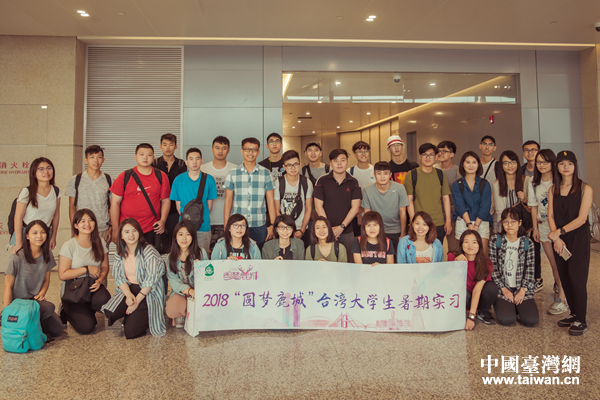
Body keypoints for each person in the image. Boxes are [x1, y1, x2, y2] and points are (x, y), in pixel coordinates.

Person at [548, 150, 592, 336]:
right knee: (564, 276)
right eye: (561, 163)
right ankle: (573, 313)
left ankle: (581, 319)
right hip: (559, 240)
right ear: (557, 166)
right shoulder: (553, 189)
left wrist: (558, 232)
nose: (565, 167)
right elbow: (550, 215)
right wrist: (557, 238)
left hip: (578, 238)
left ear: (575, 166)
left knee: (577, 278)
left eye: (570, 163)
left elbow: (582, 219)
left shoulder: (585, 189)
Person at [102, 218, 166, 339]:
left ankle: (142, 316)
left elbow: (150, 281)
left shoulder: (149, 251)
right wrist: (128, 295)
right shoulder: (120, 251)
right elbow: (119, 277)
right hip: (130, 288)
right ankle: (133, 314)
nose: (131, 235)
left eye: (134, 230)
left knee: (131, 332)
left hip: (147, 292)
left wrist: (136, 302)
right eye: (126, 232)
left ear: (139, 233)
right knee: (110, 312)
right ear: (121, 236)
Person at [3, 220, 63, 338]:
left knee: (57, 330)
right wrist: (7, 311)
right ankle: (25, 321)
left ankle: (29, 322)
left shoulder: (48, 255)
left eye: (42, 232)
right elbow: (8, 286)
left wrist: (41, 294)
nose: (39, 236)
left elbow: (46, 280)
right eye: (34, 233)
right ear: (27, 236)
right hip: (18, 303)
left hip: (35, 301)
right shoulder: (16, 258)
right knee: (49, 307)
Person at [57, 209, 111, 334]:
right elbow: (62, 274)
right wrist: (86, 269)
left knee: (105, 299)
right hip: (74, 290)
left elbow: (105, 266)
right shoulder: (69, 245)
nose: (87, 224)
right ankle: (65, 310)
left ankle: (86, 309)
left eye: (90, 220)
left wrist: (100, 280)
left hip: (91, 286)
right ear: (76, 225)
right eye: (82, 221)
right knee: (87, 328)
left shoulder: (100, 242)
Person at [528, 150, 568, 315]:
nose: (541, 165)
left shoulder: (559, 181)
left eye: (545, 162)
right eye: (539, 162)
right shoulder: (533, 182)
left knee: (564, 261)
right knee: (554, 264)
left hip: (560, 227)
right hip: (543, 226)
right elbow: (534, 207)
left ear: (553, 163)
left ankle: (562, 298)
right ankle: (561, 294)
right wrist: (535, 228)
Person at [110, 143, 171, 248]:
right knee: (128, 257)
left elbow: (166, 200)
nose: (145, 158)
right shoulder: (124, 176)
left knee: (150, 257)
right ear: (135, 157)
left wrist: (163, 220)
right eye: (141, 154)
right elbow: (115, 203)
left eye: (149, 155)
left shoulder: (161, 176)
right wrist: (115, 230)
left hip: (151, 228)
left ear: (153, 157)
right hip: (127, 229)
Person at [489, 208, 539, 327]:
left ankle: (517, 306)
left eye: (513, 221)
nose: (509, 225)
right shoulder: (496, 240)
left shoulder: (527, 243)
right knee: (507, 320)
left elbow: (530, 270)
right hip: (503, 288)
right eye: (506, 222)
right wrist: (503, 289)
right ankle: (509, 306)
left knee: (531, 320)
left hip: (522, 289)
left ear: (519, 223)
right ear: (502, 223)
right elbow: (493, 268)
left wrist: (522, 290)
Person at [223, 137, 275, 250]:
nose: (250, 153)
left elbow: (271, 201)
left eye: (254, 150)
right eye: (247, 149)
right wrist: (226, 225)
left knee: (259, 255)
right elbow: (228, 201)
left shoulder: (266, 173)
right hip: (237, 225)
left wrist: (272, 225)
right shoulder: (233, 173)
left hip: (259, 225)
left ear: (258, 152)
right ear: (242, 151)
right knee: (238, 255)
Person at [313, 149, 362, 261]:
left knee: (348, 262)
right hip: (324, 232)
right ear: (331, 164)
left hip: (347, 231)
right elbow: (318, 206)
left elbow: (355, 208)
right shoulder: (322, 181)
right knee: (325, 262)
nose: (339, 163)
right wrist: (328, 229)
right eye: (335, 160)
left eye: (342, 160)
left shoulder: (354, 182)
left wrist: (341, 227)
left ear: (347, 163)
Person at [170, 147, 217, 250]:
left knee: (203, 255)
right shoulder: (178, 180)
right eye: (191, 159)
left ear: (201, 161)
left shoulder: (209, 179)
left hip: (203, 227)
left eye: (197, 158)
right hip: (184, 228)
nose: (194, 162)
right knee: (184, 255)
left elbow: (209, 206)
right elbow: (178, 207)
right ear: (186, 162)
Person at [448, 231, 497, 329]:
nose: (470, 245)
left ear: (479, 245)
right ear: (461, 244)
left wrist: (471, 317)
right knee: (462, 291)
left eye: (474, 242)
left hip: (478, 298)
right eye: (466, 241)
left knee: (491, 287)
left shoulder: (486, 263)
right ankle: (459, 312)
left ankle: (482, 312)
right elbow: (449, 282)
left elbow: (477, 290)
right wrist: (455, 264)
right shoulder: (452, 256)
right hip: (462, 297)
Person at [10, 157, 61, 254]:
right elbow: (18, 217)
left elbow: (56, 215)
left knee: (43, 263)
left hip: (44, 234)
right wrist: (19, 241)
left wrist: (53, 236)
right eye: (41, 169)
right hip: (26, 234)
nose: (46, 172)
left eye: (49, 168)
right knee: (22, 262)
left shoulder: (56, 191)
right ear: (34, 173)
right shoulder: (27, 192)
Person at [404, 143, 452, 243]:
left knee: (436, 251)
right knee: (419, 251)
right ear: (420, 156)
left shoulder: (440, 174)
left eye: (431, 155)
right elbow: (409, 200)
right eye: (424, 155)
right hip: (419, 223)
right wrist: (413, 222)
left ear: (435, 157)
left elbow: (446, 198)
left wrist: (448, 221)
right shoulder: (411, 175)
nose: (428, 158)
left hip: (438, 222)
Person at [165, 220, 208, 328]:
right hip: (181, 292)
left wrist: (200, 269)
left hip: (199, 290)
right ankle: (184, 311)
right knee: (172, 310)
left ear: (193, 237)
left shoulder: (201, 252)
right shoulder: (170, 257)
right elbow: (173, 280)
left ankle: (190, 312)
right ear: (175, 237)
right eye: (180, 234)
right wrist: (190, 291)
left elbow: (208, 277)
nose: (184, 238)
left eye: (188, 234)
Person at [66, 145, 112, 244]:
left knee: (102, 254)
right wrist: (74, 229)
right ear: (86, 160)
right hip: (82, 228)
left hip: (102, 228)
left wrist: (112, 227)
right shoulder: (75, 179)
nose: (96, 160)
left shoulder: (109, 180)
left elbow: (112, 206)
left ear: (103, 160)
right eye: (92, 157)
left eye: (99, 157)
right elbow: (72, 207)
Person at [452, 151, 493, 258]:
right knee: (463, 256)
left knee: (482, 255)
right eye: (468, 162)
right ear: (462, 164)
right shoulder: (457, 184)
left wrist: (476, 225)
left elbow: (485, 206)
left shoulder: (485, 184)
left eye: (474, 162)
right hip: (463, 221)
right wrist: (469, 224)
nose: (471, 165)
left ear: (478, 165)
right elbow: (460, 206)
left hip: (481, 221)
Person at [361, 161, 409, 253]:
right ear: (374, 175)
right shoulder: (367, 190)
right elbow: (367, 214)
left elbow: (402, 212)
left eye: (386, 173)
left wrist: (403, 234)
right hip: (376, 230)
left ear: (390, 175)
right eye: (379, 173)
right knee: (378, 257)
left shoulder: (400, 188)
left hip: (395, 229)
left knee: (398, 257)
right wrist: (368, 233)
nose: (382, 177)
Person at [201, 136, 237, 250]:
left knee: (226, 254)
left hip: (229, 221)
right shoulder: (202, 169)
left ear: (228, 150)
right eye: (217, 148)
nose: (220, 151)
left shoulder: (235, 169)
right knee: (206, 254)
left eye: (224, 148)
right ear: (212, 149)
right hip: (206, 221)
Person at [152, 134, 187, 249]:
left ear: (176, 146)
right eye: (165, 144)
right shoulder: (154, 164)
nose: (168, 147)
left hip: (175, 210)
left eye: (171, 144)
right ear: (160, 146)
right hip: (157, 209)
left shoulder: (182, 165)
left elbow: (183, 186)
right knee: (157, 243)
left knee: (175, 241)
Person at [274, 150, 312, 239]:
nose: (293, 168)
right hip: (284, 229)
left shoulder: (306, 182)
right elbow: (277, 210)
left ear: (300, 164)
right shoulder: (278, 183)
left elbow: (308, 209)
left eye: (295, 164)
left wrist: (302, 230)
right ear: (284, 167)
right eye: (289, 165)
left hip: (301, 228)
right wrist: (285, 229)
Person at [491, 150, 531, 234]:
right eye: (506, 163)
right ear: (501, 166)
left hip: (523, 226)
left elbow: (533, 205)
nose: (510, 166)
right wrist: (505, 228)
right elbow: (499, 210)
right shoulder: (497, 184)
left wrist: (525, 199)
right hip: (505, 226)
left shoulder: (526, 180)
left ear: (517, 164)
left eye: (513, 162)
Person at [521, 140, 543, 291]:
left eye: (533, 150)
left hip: (542, 213)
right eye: (527, 150)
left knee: (536, 246)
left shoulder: (544, 169)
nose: (530, 153)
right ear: (523, 153)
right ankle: (527, 278)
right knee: (527, 247)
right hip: (525, 214)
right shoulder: (520, 171)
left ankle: (538, 278)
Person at [436, 141, 461, 253]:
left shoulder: (458, 171)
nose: (440, 154)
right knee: (435, 247)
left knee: (453, 248)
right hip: (436, 213)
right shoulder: (433, 169)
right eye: (438, 151)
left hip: (453, 213)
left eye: (444, 151)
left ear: (452, 154)